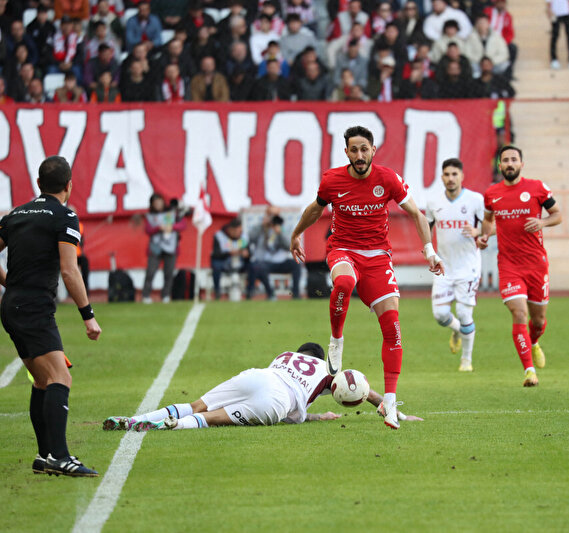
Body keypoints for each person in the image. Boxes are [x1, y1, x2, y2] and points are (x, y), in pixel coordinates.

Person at [290, 126, 444, 429]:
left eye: (364, 149)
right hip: (343, 249)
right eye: (354, 150)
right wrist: (296, 234)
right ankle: (336, 340)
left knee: (393, 326)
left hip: (378, 257)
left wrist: (429, 251)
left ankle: (389, 401)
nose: (359, 155)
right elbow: (315, 209)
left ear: (373, 150)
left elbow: (417, 213)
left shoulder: (387, 178)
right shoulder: (332, 180)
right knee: (345, 283)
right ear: (346, 152)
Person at [0, 156, 102, 477]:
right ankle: (59, 456)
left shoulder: (15, 214)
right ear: (69, 186)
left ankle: (45, 455)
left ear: (39, 184)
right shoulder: (64, 215)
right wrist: (88, 315)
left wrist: (9, 283)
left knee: (43, 381)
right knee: (61, 378)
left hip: (12, 306)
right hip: (34, 308)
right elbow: (69, 270)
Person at [102, 343, 422, 431]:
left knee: (198, 404)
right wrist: (394, 413)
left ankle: (134, 420)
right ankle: (165, 428)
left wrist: (313, 414)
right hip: (276, 399)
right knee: (213, 419)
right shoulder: (327, 372)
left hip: (257, 375)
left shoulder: (284, 356)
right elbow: (359, 388)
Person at [477, 146, 562, 388]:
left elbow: (557, 215)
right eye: (506, 160)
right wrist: (484, 237)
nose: (510, 163)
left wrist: (543, 221)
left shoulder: (537, 187)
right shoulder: (492, 193)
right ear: (500, 166)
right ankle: (529, 371)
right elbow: (487, 219)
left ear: (521, 164)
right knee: (519, 313)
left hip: (536, 264)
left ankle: (534, 342)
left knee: (537, 321)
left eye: (514, 159)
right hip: (509, 265)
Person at [425, 158, 483, 372]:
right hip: (444, 268)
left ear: (462, 176)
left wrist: (480, 233)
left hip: (469, 267)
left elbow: (489, 224)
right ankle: (458, 330)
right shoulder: (433, 203)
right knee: (440, 315)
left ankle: (466, 361)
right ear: (442, 177)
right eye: (447, 174)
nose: (450, 178)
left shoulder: (476, 200)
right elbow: (426, 228)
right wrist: (429, 250)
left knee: (465, 313)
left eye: (454, 174)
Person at [142, 194, 187, 304]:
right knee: (150, 272)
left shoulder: (172, 214)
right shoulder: (150, 216)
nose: (158, 205)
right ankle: (146, 295)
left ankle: (166, 295)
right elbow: (148, 230)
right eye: (155, 203)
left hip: (170, 247)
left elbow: (182, 225)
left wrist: (172, 227)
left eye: (160, 202)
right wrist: (159, 228)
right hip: (155, 247)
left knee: (169, 273)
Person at [247, 215, 302, 300]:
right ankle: (270, 293)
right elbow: (251, 238)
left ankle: (296, 293)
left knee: (296, 265)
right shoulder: (263, 232)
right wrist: (262, 226)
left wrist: (280, 234)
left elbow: (289, 246)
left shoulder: (285, 232)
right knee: (258, 267)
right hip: (268, 261)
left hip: (282, 261)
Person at [211, 218, 250, 299]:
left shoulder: (244, 237)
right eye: (237, 231)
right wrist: (229, 253)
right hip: (224, 261)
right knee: (216, 266)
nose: (239, 233)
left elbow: (249, 252)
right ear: (230, 230)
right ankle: (217, 291)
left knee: (254, 266)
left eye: (240, 231)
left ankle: (249, 292)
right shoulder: (219, 236)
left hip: (240, 261)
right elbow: (216, 254)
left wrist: (246, 254)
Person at [548, 0, 569, 70]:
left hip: (568, 10)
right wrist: (549, 9)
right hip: (556, 11)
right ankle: (554, 59)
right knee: (555, 35)